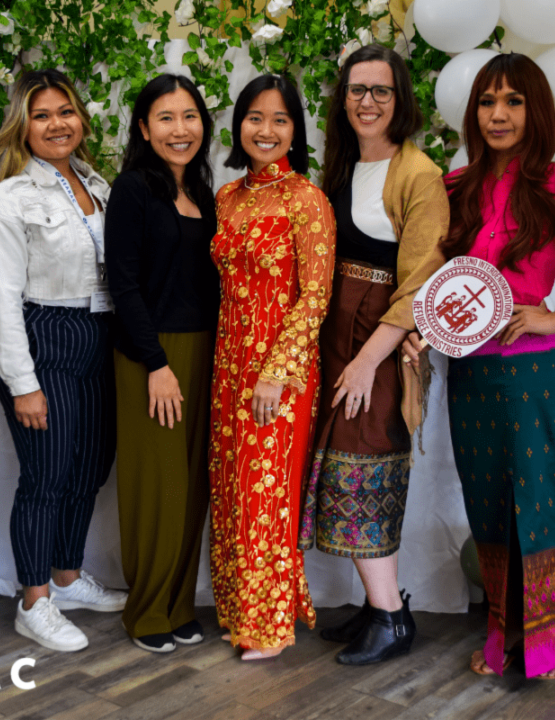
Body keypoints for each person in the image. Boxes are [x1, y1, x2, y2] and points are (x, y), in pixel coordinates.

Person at [404, 53, 555, 679]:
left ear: (535, 111)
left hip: (528, 371)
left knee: (539, 498)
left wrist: (553, 317)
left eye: (513, 102)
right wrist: (417, 327)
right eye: (488, 102)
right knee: (488, 502)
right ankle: (505, 635)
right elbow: (429, 272)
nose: (498, 114)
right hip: (468, 369)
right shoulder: (455, 187)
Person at [297, 44, 450, 666]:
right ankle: (377, 605)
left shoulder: (420, 175)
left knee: (366, 472)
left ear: (401, 99)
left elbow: (421, 283)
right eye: (357, 90)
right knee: (339, 470)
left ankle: (391, 617)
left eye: (380, 90)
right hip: (334, 341)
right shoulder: (339, 165)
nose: (367, 102)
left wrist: (370, 360)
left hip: (378, 346)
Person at [0, 69, 126, 653]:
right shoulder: (8, 200)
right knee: (47, 476)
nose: (57, 124)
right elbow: (0, 301)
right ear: (22, 126)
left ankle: (67, 576)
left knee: (89, 467)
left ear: (81, 118)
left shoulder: (99, 186)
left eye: (65, 111)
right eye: (41, 115)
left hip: (98, 331)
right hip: (44, 335)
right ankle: (34, 601)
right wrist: (23, 383)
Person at [209, 75, 335, 660]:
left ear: (295, 130)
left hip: (276, 372)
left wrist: (276, 370)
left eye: (280, 119)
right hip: (228, 365)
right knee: (233, 490)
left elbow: (315, 296)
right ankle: (237, 609)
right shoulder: (227, 197)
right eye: (255, 118)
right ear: (239, 125)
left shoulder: (306, 199)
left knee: (268, 494)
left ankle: (269, 623)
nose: (266, 130)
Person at [105, 74, 219, 654]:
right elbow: (122, 285)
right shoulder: (131, 190)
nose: (181, 129)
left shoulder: (205, 192)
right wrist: (155, 362)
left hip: (205, 351)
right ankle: (145, 610)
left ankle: (178, 604)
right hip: (151, 356)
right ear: (145, 129)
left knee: (194, 486)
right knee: (159, 486)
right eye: (167, 118)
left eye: (190, 116)